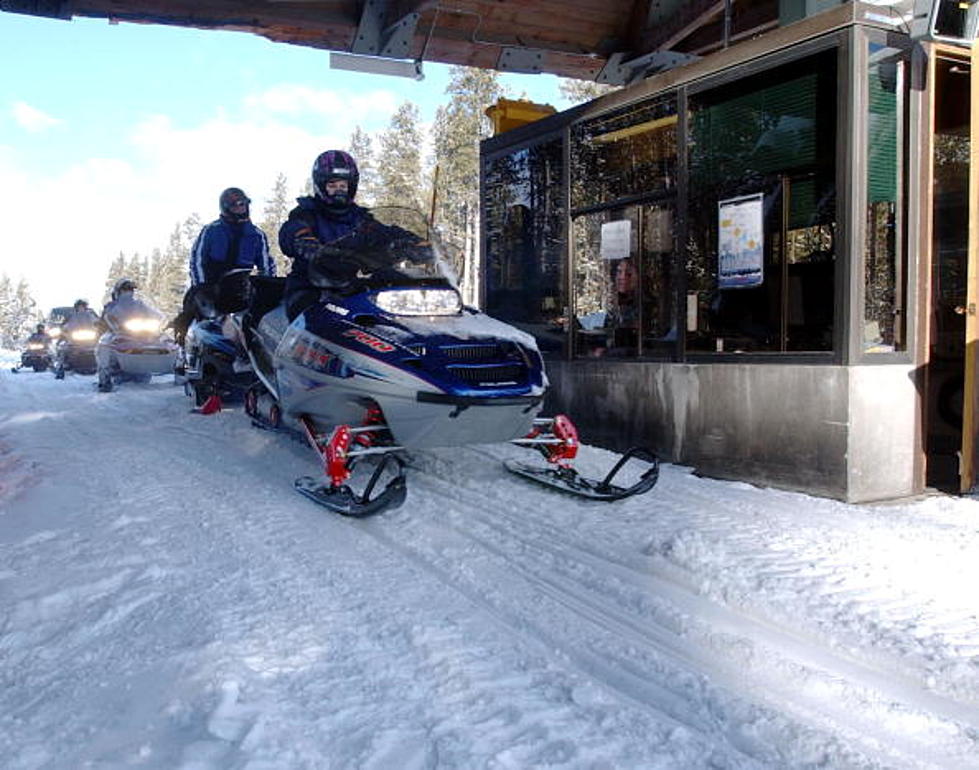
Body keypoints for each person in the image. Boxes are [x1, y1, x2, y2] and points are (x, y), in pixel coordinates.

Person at [278, 149, 432, 320]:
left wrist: (413, 242)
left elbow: (384, 232)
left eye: (343, 186)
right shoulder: (307, 212)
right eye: (332, 186)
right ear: (321, 186)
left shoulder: (360, 218)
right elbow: (291, 229)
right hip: (310, 287)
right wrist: (302, 240)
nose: (339, 191)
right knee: (315, 322)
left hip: (350, 287)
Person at [171, 187, 275, 344]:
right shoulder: (211, 230)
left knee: (258, 314)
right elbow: (197, 259)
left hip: (241, 285)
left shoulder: (256, 234)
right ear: (226, 208)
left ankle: (250, 349)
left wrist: (266, 285)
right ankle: (183, 346)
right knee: (192, 307)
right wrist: (201, 285)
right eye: (236, 205)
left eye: (243, 204)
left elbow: (266, 263)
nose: (240, 208)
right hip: (212, 283)